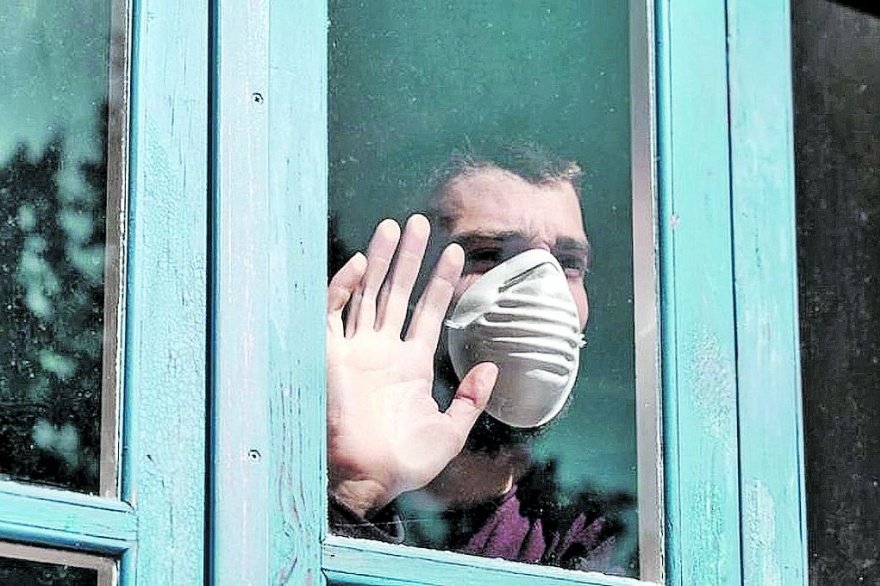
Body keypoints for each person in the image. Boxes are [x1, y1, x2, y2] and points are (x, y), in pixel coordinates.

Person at [327, 145, 626, 573]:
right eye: (487, 255)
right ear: (409, 286)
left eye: (568, 263)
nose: (544, 293)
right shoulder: (296, 478)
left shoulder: (585, 536)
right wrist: (355, 494)